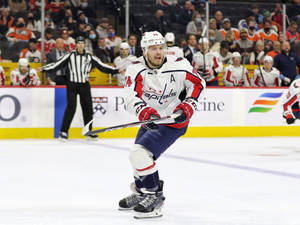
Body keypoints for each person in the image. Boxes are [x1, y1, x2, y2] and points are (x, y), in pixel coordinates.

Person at [119, 31, 205, 219]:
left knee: (140, 153)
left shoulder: (180, 65)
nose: (158, 52)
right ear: (144, 50)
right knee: (138, 155)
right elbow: (129, 96)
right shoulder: (135, 69)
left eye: (161, 48)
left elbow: (198, 84)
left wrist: (188, 106)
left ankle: (155, 196)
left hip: (173, 121)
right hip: (151, 118)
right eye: (153, 48)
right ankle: (142, 192)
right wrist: (144, 111)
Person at [40, 36, 124, 140]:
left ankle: (88, 132)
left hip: (84, 84)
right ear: (76, 44)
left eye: (82, 43)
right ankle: (63, 132)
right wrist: (44, 69)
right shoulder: (70, 55)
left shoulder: (90, 56)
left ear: (84, 44)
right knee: (71, 107)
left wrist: (116, 70)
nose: (80, 45)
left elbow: (102, 66)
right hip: (72, 84)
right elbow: (57, 65)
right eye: (78, 43)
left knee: (88, 108)